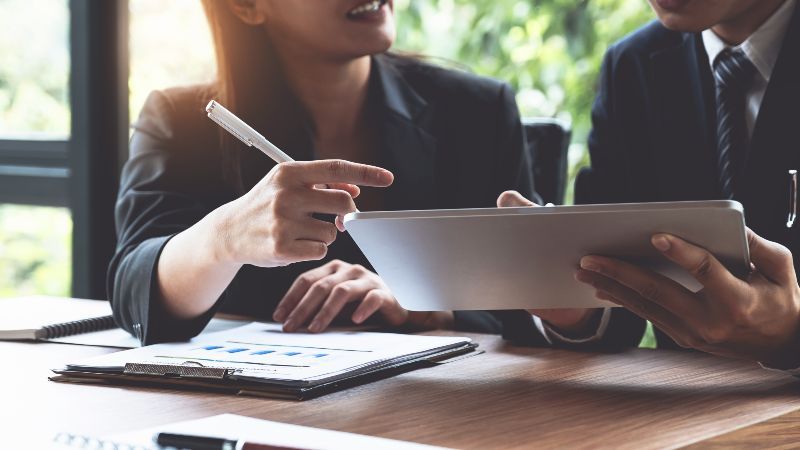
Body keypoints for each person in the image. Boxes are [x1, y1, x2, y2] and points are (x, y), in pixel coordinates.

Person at [109, 0, 534, 344]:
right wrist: (223, 239)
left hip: (444, 411)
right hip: (253, 408)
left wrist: (428, 305)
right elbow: (134, 294)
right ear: (246, 6)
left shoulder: (477, 112)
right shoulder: (182, 121)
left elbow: (538, 302)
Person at [498, 0, 800, 371]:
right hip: (680, 408)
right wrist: (577, 304)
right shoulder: (634, 65)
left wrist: (792, 338)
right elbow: (618, 307)